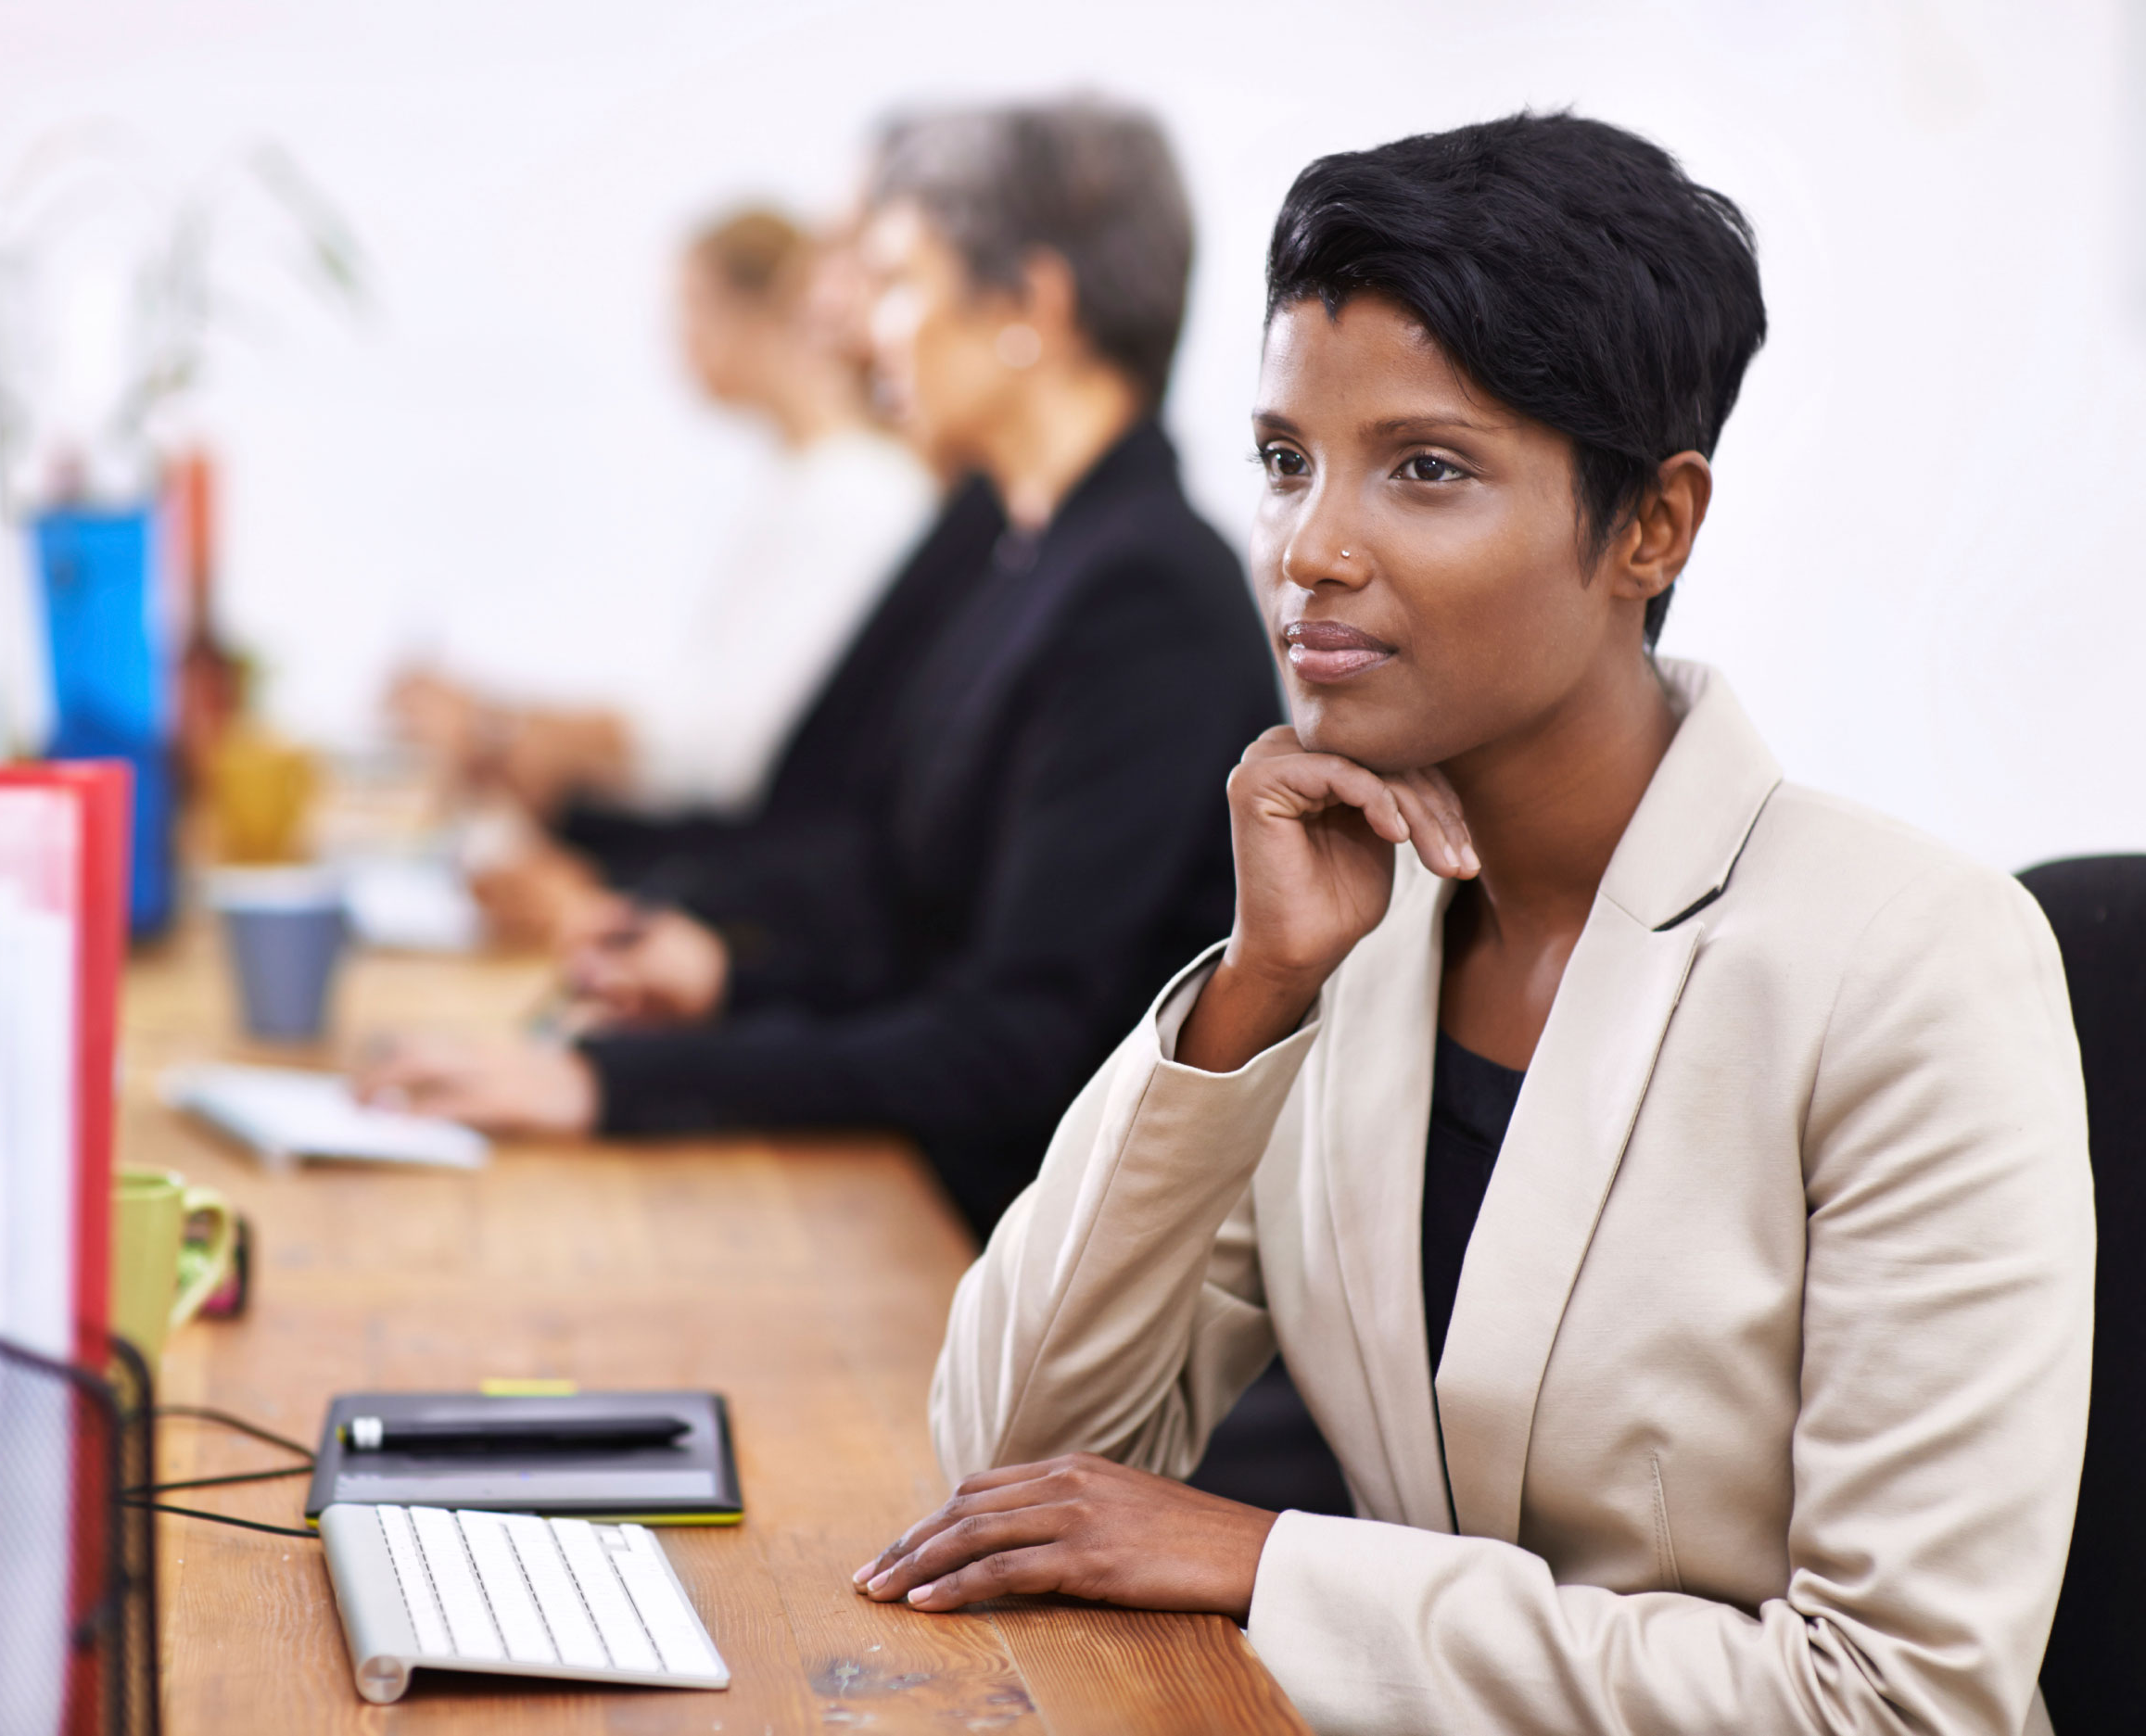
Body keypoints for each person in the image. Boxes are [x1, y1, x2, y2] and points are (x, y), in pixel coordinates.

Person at [855, 114, 2092, 1735]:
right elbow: (1015, 1459)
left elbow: (1890, 1701)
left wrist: (1274, 1565)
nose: (1308, 547)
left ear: (1648, 526)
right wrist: (1257, 988)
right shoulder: (1355, 940)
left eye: (1422, 468)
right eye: (1285, 460)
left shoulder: (1902, 964)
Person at [360, 99, 1285, 1237]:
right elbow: (893, 884)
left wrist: (618, 1086)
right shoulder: (1018, 548)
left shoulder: (1144, 596)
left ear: (1030, 308)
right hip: (932, 1190)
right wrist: (720, 976)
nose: (864, 331)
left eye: (898, 281)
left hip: (1013, 1254)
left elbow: (1019, 1044)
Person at [388, 205, 933, 834]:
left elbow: (722, 749)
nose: (676, 342)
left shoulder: (857, 495)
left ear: (763, 315)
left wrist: (497, 727)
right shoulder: (798, 485)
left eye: (689, 309)